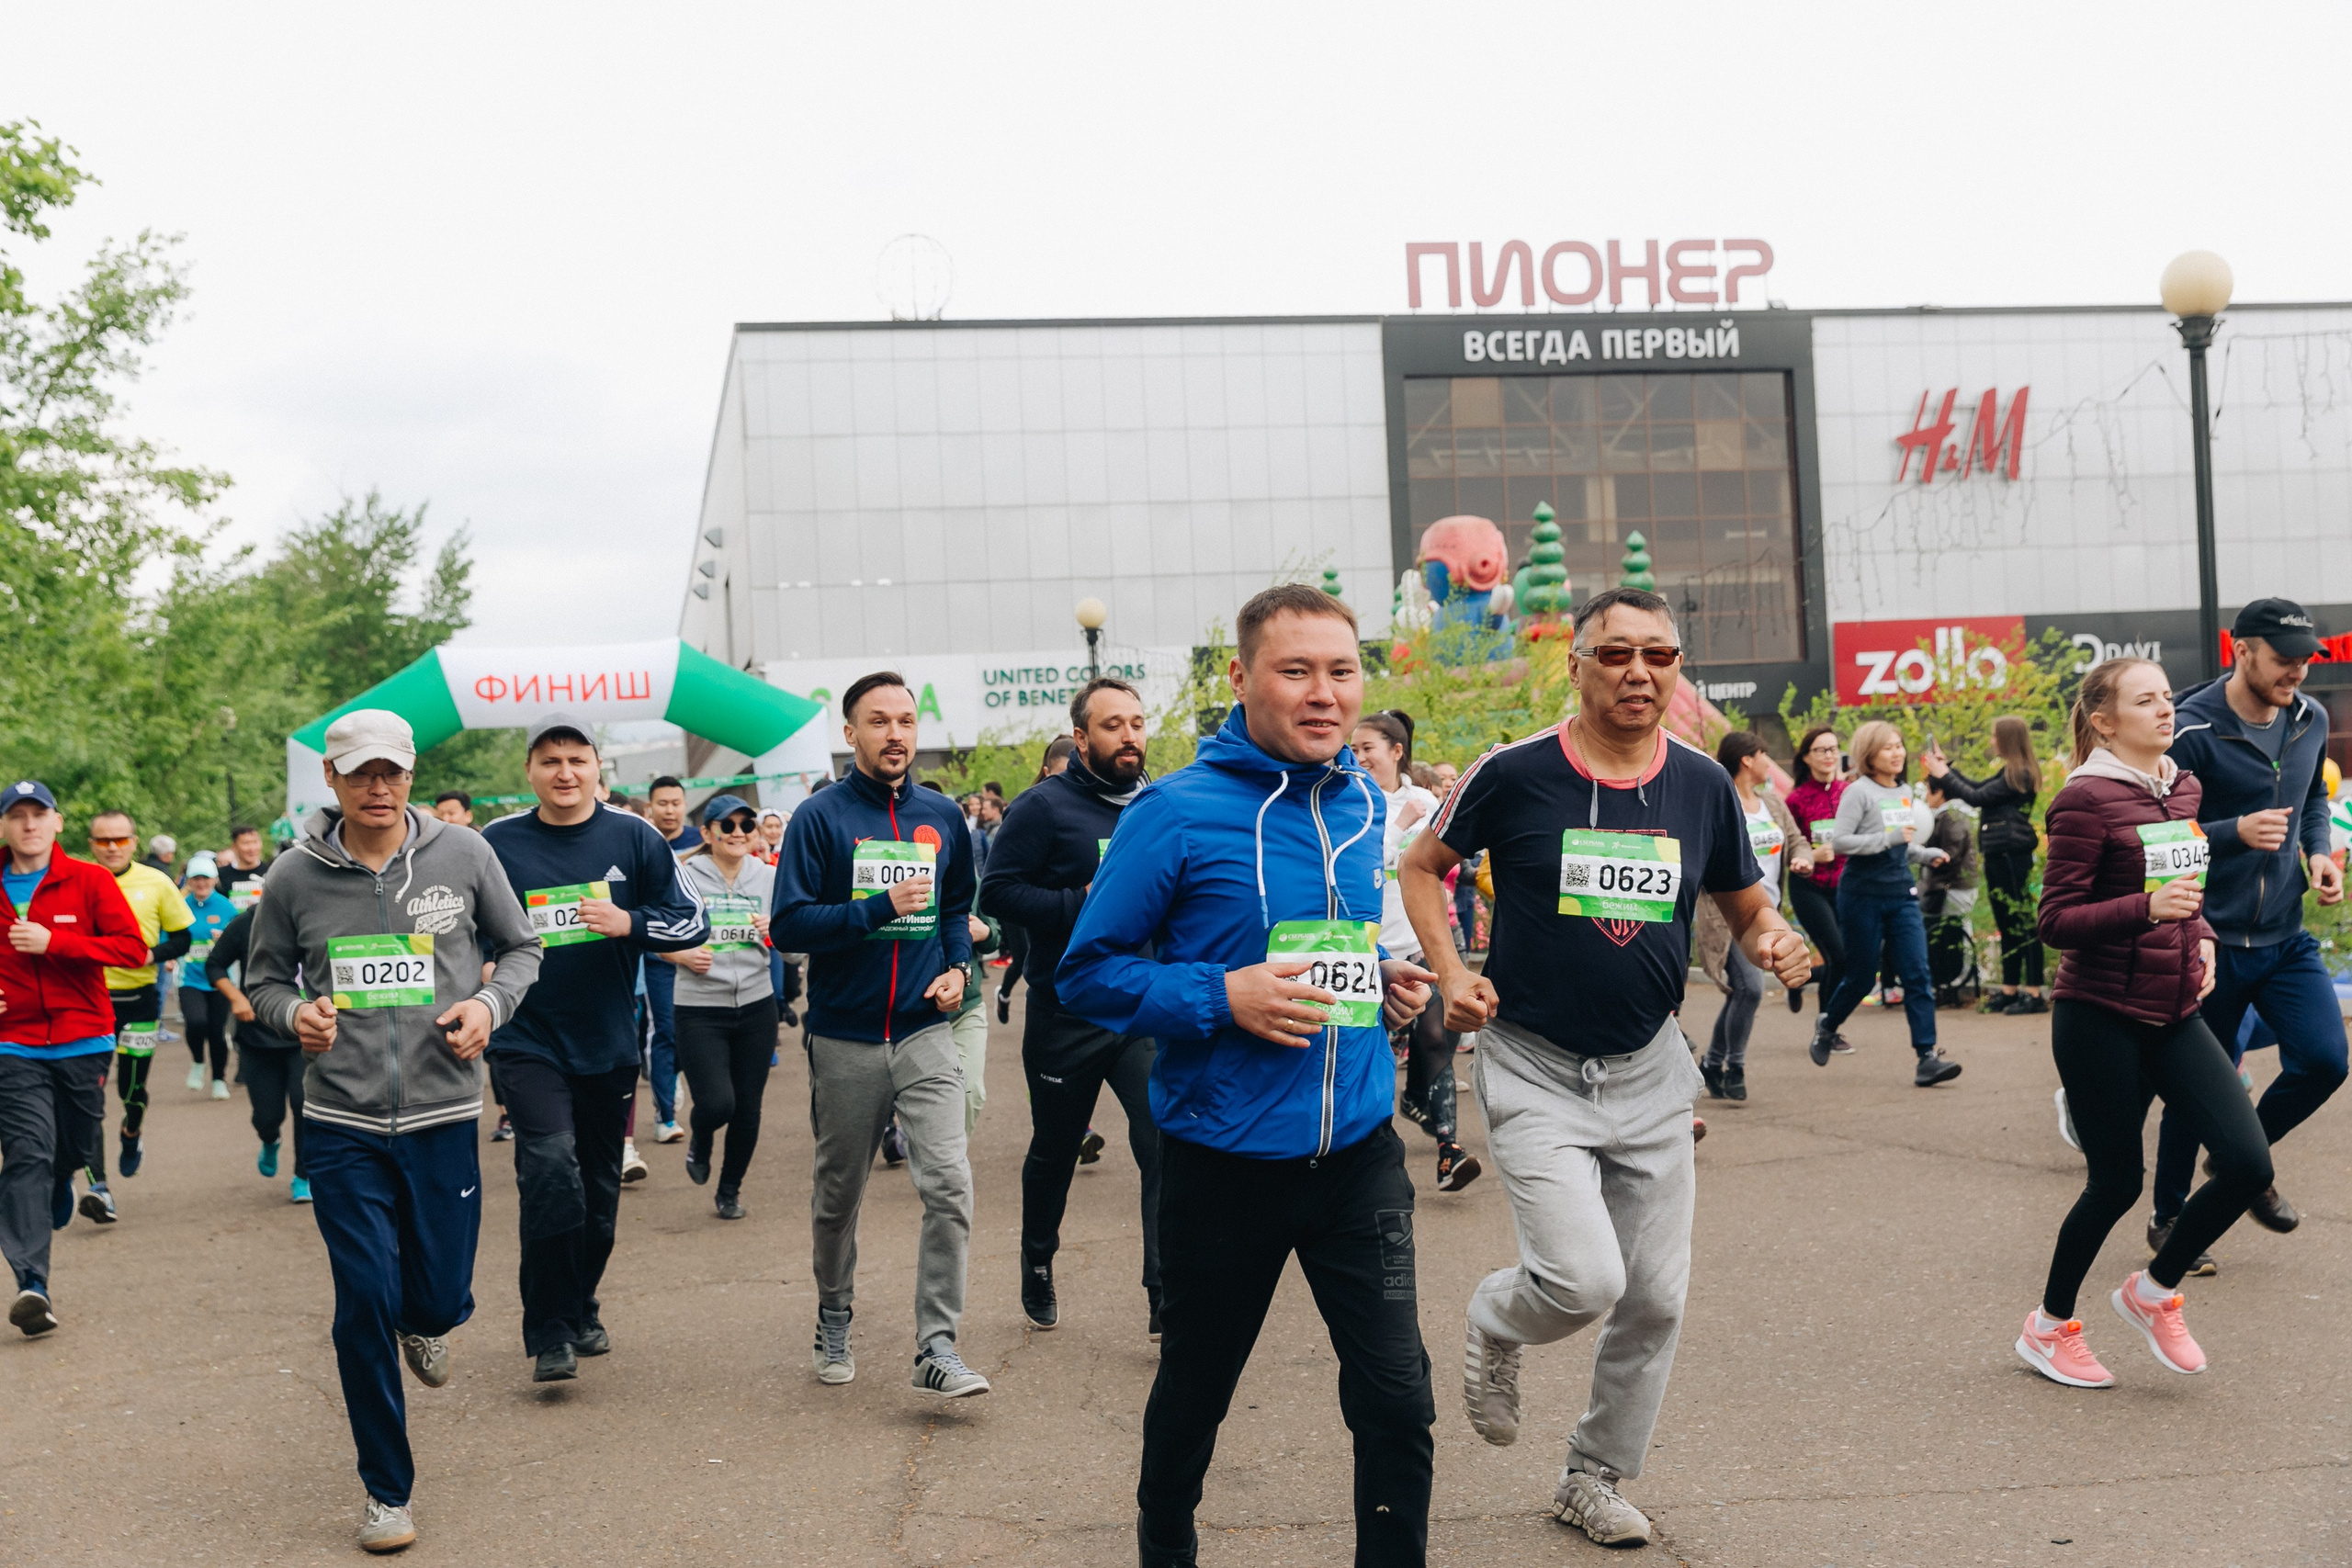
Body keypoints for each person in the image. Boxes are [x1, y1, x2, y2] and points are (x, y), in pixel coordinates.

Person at [1398, 586, 1810, 1550]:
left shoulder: (1704, 785)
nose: (1638, 672)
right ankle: (1501, 1316)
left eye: (1659, 656)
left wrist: (1776, 939)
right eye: (1615, 653)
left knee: (1655, 1295)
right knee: (1582, 1280)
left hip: (1650, 1070)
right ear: (1575, 663)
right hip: (1535, 1063)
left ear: (1677, 668)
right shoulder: (1515, 773)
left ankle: (1592, 1474)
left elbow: (1746, 905)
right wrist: (1453, 972)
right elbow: (1422, 868)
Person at [1061, 585, 1441, 1568]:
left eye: (1343, 671)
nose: (1325, 694)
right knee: (1195, 1392)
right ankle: (1165, 1545)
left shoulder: (1362, 805)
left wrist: (1380, 984)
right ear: (1239, 679)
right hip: (1222, 1163)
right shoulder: (1175, 812)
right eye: (1297, 670)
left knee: (1398, 1398)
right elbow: (1087, 973)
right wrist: (1219, 998)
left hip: (1358, 1154)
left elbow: (1328, 952)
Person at [242, 709, 542, 1552]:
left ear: (411, 775)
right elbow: (263, 979)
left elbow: (521, 949)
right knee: (361, 1299)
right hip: (340, 1121)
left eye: (394, 772)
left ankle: (430, 1317)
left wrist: (487, 1005)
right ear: (331, 781)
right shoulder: (294, 876)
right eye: (361, 772)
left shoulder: (464, 854)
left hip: (445, 1114)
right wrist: (295, 1012)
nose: (379, 787)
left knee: (439, 1296)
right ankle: (386, 1489)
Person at [2016, 657, 2270, 1387]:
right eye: (2145, 701)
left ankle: (2153, 1290)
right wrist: (2144, 910)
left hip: (2173, 1005)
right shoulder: (2083, 801)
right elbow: (2054, 922)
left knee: (2249, 1163)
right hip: (2097, 1013)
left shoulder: (2179, 785)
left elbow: (2186, 886)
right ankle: (2049, 1326)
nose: (2166, 711)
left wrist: (2208, 936)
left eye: (2166, 697)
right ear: (2104, 720)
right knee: (2117, 1180)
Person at [772, 671, 988, 1398]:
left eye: (905, 720)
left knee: (952, 1184)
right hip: (847, 1038)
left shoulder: (942, 816)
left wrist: (959, 964)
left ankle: (937, 1345)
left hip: (927, 1030)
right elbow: (789, 924)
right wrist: (874, 907)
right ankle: (835, 1311)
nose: (896, 733)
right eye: (878, 721)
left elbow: (957, 907)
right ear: (850, 732)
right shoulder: (819, 818)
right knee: (840, 1194)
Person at [481, 715, 707, 1382]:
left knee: (599, 1196)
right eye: (550, 760)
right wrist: (478, 973)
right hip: (526, 1038)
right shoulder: (496, 842)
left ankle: (581, 1302)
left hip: (607, 1043)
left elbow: (691, 918)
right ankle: (548, 1329)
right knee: (550, 1172)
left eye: (577, 759)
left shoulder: (633, 836)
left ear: (597, 768)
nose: (564, 772)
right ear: (530, 770)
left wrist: (629, 921)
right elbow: (456, 925)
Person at [2152, 598, 2344, 1253]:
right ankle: (2170, 1216)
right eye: (2284, 660)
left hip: (2284, 935)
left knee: (2325, 1060)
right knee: (2193, 1090)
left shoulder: (2309, 718)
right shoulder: (2189, 729)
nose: (2298, 673)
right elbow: (2156, 840)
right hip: (2210, 938)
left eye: (2305, 661)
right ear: (2242, 651)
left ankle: (2243, 1157)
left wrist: (2318, 852)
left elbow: (2312, 795)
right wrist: (2232, 831)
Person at [981, 675, 1165, 1337]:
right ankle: (1037, 1258)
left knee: (1162, 1145)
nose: (1130, 736)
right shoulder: (1043, 808)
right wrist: (1077, 904)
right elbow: (997, 892)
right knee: (1056, 1149)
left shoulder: (1159, 803)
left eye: (1138, 722)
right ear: (1082, 737)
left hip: (1143, 1006)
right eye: (1113, 725)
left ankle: (1162, 1292)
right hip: (1066, 1010)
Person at [0, 781, 147, 1337]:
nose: (29, 825)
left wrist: (56, 943)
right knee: (24, 1153)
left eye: (39, 814)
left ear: (58, 823)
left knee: (75, 1143)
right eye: (17, 816)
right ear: (5, 826)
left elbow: (133, 949)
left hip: (84, 1038)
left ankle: (67, 1176)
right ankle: (31, 1284)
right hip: (11, 1043)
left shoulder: (89, 880)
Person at [1351, 708, 1478, 1190]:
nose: (1360, 757)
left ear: (1396, 751)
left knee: (1435, 1036)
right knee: (1372, 1050)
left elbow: (1448, 860)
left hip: (1423, 942)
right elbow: (1360, 861)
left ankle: (1449, 1149)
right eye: (1355, 748)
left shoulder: (1426, 799)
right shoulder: (1351, 798)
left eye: (1369, 748)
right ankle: (1369, 1154)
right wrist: (1397, 825)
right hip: (1372, 950)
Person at [1808, 722, 1962, 1085]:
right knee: (1861, 976)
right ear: (1869, 755)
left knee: (1917, 972)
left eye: (1899, 746)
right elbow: (1841, 842)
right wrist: (1887, 837)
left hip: (1901, 893)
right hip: (1861, 894)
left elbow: (1901, 844)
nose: (1897, 753)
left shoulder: (1906, 790)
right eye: (1887, 748)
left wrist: (1926, 854)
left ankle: (1927, 1057)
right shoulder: (1857, 792)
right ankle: (1828, 1024)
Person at [663, 795, 779, 1220]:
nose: (737, 834)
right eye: (726, 826)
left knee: (748, 1108)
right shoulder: (682, 876)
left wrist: (777, 930)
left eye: (745, 826)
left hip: (756, 1004)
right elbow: (653, 934)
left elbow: (795, 941)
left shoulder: (768, 878)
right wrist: (682, 955)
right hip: (699, 1007)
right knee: (717, 1104)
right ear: (708, 833)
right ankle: (701, 1133)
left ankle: (729, 1190)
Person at [1693, 729, 1813, 1102]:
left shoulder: (1772, 803)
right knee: (1750, 988)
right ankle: (1735, 1066)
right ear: (1746, 759)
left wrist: (1803, 857)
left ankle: (1713, 1063)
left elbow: (1797, 839)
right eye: (1764, 754)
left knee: (1742, 994)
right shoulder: (1715, 800)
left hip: (1768, 912)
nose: (1769, 763)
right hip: (1723, 917)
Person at [85, 809, 195, 1207]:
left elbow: (183, 939)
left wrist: (150, 954)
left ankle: (131, 1134)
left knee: (133, 1091)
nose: (112, 847)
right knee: (89, 1097)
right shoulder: (77, 882)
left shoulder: (156, 881)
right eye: (103, 841)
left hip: (140, 1000)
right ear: (91, 845)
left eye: (120, 840)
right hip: (88, 1003)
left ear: (134, 841)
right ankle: (99, 1188)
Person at [1923, 716, 2043, 1012]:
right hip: (2000, 854)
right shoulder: (2010, 772)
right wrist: (1947, 769)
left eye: (1994, 736)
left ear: (2007, 739)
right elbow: (1977, 788)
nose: (1991, 741)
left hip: (2012, 855)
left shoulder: (2021, 774)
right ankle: (2011, 989)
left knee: (2022, 922)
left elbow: (1976, 797)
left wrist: (1943, 773)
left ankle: (2035, 993)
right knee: (2007, 923)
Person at [204, 893, 312, 1201]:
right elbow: (215, 965)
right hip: (257, 1035)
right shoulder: (247, 923)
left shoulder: (312, 916)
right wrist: (237, 999)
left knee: (305, 1104)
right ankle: (269, 1139)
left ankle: (303, 1175)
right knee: (267, 1115)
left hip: (304, 1033)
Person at [995, 736, 1076, 1025]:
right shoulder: (1031, 807)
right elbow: (1000, 889)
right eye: (1062, 775)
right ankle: (1004, 994)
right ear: (1045, 772)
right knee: (1023, 957)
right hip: (1028, 909)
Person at [637, 775, 696, 1147]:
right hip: (659, 959)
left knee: (690, 1036)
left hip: (704, 958)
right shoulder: (641, 842)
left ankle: (675, 1074)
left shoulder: (702, 842)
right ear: (651, 807)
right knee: (666, 1033)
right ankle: (665, 1117)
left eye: (676, 803)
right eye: (663, 804)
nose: (670, 810)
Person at [1782, 726, 1850, 1036]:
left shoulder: (1849, 793)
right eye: (1821, 750)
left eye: (1834, 749)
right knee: (1837, 954)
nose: (1829, 756)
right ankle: (1827, 1028)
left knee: (1850, 959)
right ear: (1807, 758)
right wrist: (1811, 855)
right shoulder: (1796, 800)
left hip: (1846, 887)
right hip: (1809, 888)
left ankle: (1803, 979)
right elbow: (1784, 848)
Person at [175, 853, 240, 1109]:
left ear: (214, 879)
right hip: (189, 977)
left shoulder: (226, 907)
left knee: (216, 1031)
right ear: (189, 880)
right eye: (196, 878)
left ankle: (218, 1080)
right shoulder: (180, 906)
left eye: (205, 878)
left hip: (219, 979)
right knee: (196, 1022)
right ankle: (198, 1062)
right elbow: (168, 934)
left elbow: (238, 941)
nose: (201, 883)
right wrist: (168, 955)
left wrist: (224, 939)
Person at [1918, 774, 1982, 1007]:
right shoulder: (1951, 814)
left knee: (1946, 935)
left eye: (1928, 790)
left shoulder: (1951, 816)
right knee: (1946, 934)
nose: (1925, 797)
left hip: (1952, 888)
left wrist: (1935, 858)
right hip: (1952, 887)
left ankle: (1950, 984)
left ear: (1939, 792)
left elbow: (1952, 850)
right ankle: (1948, 984)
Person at [216, 824, 270, 911]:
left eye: (255, 842)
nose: (252, 848)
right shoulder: (221, 876)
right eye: (246, 843)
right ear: (234, 847)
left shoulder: (271, 871)